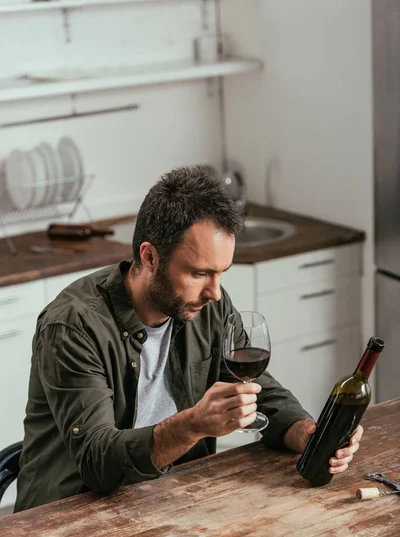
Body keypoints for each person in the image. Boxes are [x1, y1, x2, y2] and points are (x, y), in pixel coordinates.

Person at [15, 166, 363, 512]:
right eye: (200, 273)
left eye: (221, 273)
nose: (215, 292)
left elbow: (254, 388)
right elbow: (97, 462)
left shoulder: (206, 305)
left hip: (168, 500)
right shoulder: (73, 327)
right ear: (150, 257)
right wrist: (193, 425)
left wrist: (304, 432)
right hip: (66, 516)